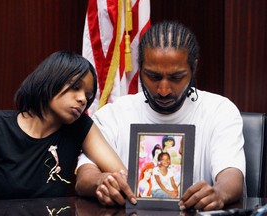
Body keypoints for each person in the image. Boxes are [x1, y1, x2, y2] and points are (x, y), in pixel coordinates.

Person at [75, 21, 245, 211]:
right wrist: (101, 181)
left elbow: (232, 175)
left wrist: (219, 193)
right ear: (140, 68)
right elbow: (84, 176)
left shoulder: (220, 110)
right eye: (153, 77)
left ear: (193, 68)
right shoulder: (113, 114)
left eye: (176, 78)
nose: (163, 90)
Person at [0, 51, 127, 202]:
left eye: (88, 96)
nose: (83, 99)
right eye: (76, 87)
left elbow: (123, 177)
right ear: (51, 79)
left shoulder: (80, 126)